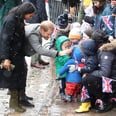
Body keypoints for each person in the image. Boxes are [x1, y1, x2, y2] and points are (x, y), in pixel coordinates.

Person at [0, 2, 36, 113]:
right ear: (24, 12)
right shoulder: (10, 20)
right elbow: (5, 40)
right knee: (13, 80)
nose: (31, 17)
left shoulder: (18, 18)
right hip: (11, 55)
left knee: (21, 74)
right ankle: (14, 104)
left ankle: (21, 98)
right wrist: (5, 58)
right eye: (30, 15)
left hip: (18, 53)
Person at [75, 30, 116, 113]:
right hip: (111, 79)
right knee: (88, 78)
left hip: (113, 82)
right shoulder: (102, 50)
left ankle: (106, 100)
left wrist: (88, 73)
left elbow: (104, 73)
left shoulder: (106, 52)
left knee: (88, 79)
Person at [23, 0, 49, 68]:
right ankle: (35, 61)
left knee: (37, 40)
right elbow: (41, 7)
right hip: (36, 18)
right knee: (36, 40)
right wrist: (44, 20)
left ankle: (38, 59)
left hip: (31, 17)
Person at [55, 35, 70, 101]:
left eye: (68, 46)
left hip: (65, 72)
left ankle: (65, 93)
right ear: (60, 47)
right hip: (61, 73)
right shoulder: (59, 54)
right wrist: (68, 57)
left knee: (66, 83)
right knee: (62, 84)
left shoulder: (66, 53)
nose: (67, 48)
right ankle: (62, 93)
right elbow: (63, 61)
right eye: (65, 47)